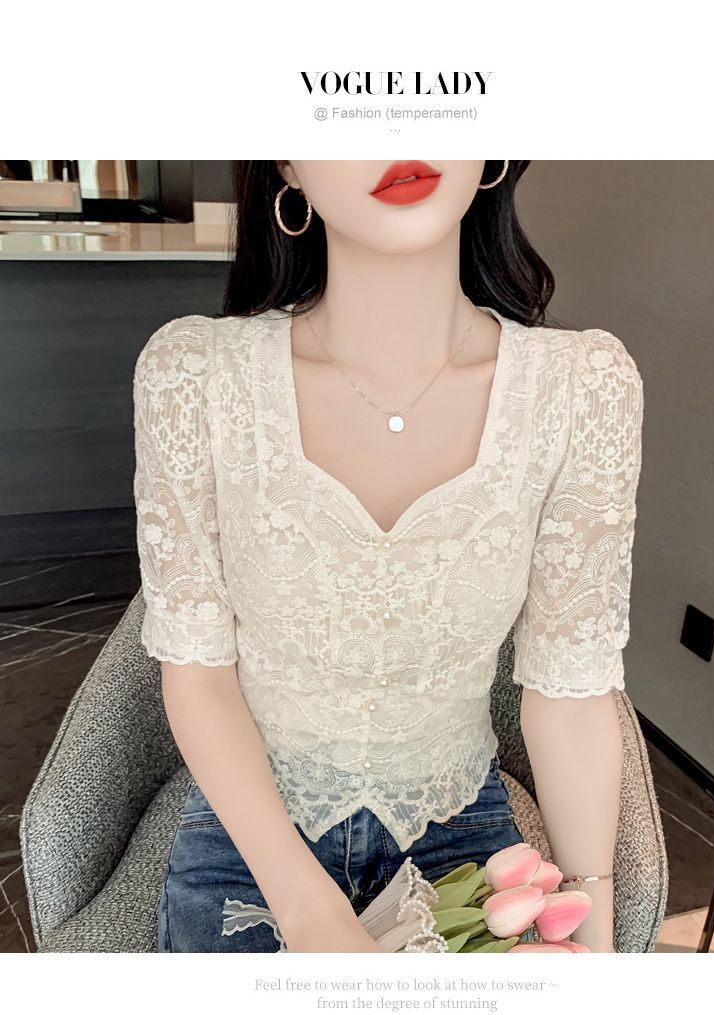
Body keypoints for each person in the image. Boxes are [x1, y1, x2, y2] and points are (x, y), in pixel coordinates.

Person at [132, 160, 644, 954]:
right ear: (287, 163)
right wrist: (308, 909)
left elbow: (570, 691)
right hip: (253, 834)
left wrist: (593, 924)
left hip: (461, 833)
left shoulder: (583, 389)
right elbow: (197, 672)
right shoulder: (193, 375)